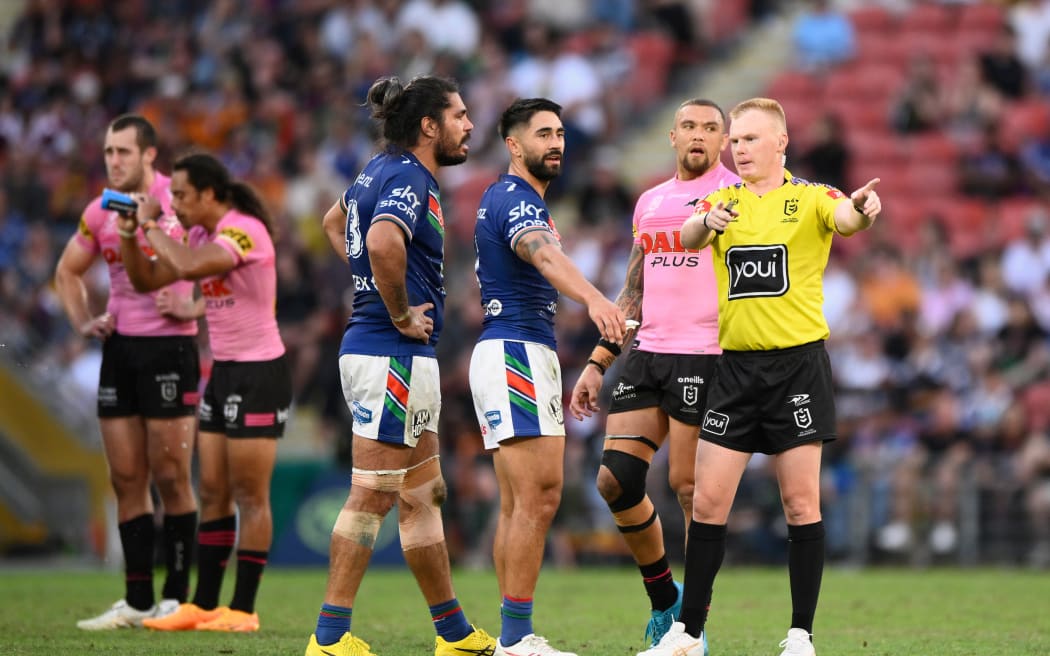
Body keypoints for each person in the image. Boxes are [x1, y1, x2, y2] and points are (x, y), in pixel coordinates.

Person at [638, 97, 881, 656]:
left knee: (801, 504)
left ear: (780, 142)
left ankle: (800, 635)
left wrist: (863, 210)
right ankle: (689, 633)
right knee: (707, 505)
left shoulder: (812, 198)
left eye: (749, 139)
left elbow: (847, 219)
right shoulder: (722, 201)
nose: (738, 149)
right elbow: (692, 237)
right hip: (736, 369)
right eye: (735, 141)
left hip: (797, 366)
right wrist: (705, 219)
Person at [304, 75, 497, 656]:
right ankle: (330, 637)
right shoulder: (410, 178)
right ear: (429, 126)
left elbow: (334, 225)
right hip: (391, 353)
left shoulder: (374, 170)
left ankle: (454, 634)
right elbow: (384, 242)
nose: (468, 125)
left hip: (390, 353)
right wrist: (398, 311)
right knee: (372, 495)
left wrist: (368, 282)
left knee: (423, 492)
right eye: (459, 115)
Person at [569, 98, 739, 650]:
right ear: (671, 136)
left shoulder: (738, 197)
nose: (699, 136)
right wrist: (599, 360)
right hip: (648, 351)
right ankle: (666, 600)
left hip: (707, 356)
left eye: (711, 129)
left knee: (689, 492)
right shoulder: (650, 203)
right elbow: (635, 289)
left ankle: (694, 629)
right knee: (614, 480)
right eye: (689, 126)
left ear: (724, 140)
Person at [469, 97, 626, 656]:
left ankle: (512, 633)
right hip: (516, 350)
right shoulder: (516, 199)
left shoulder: (513, 197)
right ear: (514, 146)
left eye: (559, 133)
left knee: (520, 502)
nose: (556, 142)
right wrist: (594, 299)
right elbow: (542, 255)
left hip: (511, 351)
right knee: (537, 497)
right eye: (543, 134)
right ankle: (516, 637)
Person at [117, 152, 292, 633]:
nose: (174, 203)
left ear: (210, 195)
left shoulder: (243, 230)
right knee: (212, 489)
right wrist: (132, 234)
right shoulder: (196, 232)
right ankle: (204, 603)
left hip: (260, 373)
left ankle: (243, 610)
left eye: (181, 196)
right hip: (222, 373)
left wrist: (151, 223)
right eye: (171, 195)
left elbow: (191, 268)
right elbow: (146, 278)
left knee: (249, 495)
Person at [54, 114, 199, 630]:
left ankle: (180, 599)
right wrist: (83, 320)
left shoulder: (178, 200)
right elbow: (66, 272)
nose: (113, 160)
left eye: (123, 152)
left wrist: (192, 305)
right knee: (126, 477)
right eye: (109, 151)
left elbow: (224, 267)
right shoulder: (99, 210)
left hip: (170, 351)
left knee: (171, 477)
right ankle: (138, 600)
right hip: (120, 350)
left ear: (149, 156)